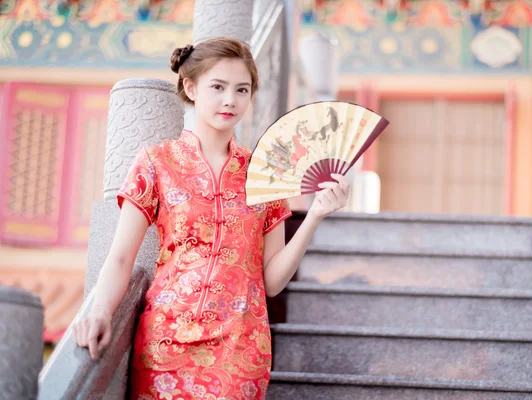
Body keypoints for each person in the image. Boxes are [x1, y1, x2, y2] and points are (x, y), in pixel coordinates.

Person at [72, 37, 350, 400]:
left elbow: (272, 282)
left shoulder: (266, 175)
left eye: (242, 89)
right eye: (217, 87)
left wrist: (314, 215)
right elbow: (121, 257)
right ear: (191, 87)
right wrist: (100, 312)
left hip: (240, 347)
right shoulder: (157, 162)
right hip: (166, 342)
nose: (230, 100)